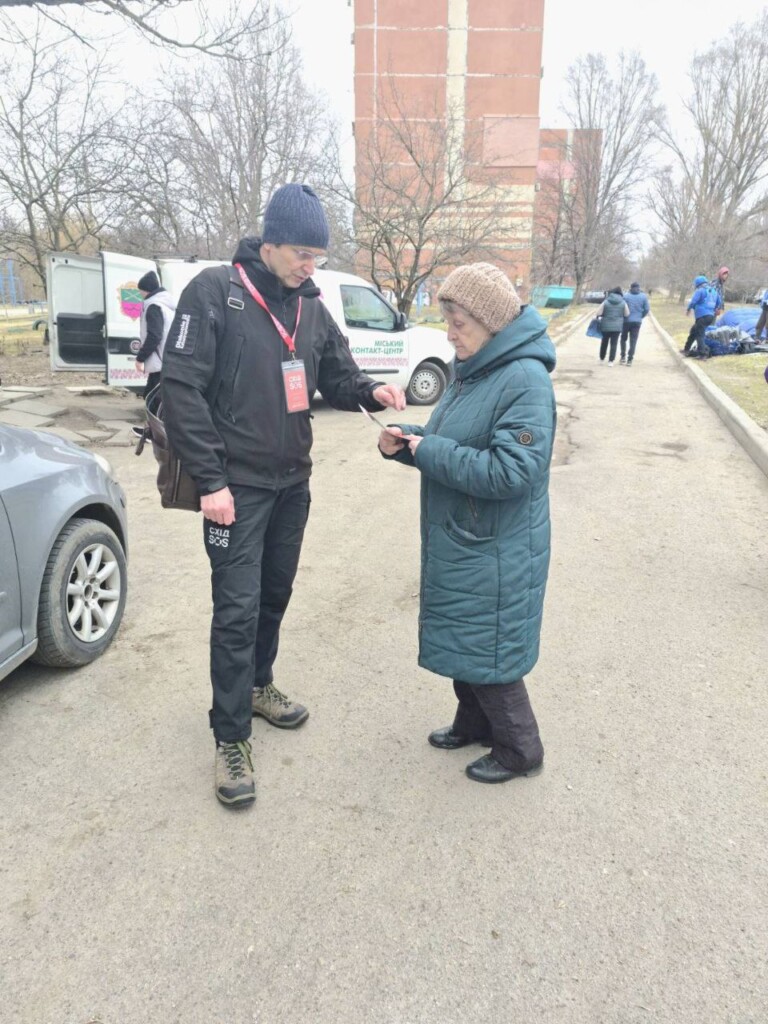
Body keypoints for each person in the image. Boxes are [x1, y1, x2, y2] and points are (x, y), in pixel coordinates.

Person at [161, 183, 406, 808]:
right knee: (236, 610)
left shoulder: (313, 307)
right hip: (235, 490)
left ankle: (258, 685)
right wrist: (211, 481)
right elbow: (180, 390)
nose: (309, 265)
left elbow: (335, 373)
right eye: (301, 253)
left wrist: (370, 392)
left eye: (318, 256)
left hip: (292, 482)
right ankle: (231, 737)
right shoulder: (216, 293)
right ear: (268, 244)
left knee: (274, 595)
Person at [378, 263, 556, 784]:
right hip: (467, 539)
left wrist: (428, 450)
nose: (449, 332)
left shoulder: (524, 379)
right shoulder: (474, 367)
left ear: (491, 322)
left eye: (458, 322)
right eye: (447, 319)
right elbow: (452, 438)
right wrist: (409, 441)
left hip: (496, 547)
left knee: (492, 652)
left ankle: (521, 749)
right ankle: (474, 724)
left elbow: (511, 471)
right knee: (467, 641)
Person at [135, 270, 176, 397]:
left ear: (146, 290)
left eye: (140, 290)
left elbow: (154, 336)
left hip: (160, 362)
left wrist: (140, 358)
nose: (140, 293)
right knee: (151, 396)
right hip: (167, 360)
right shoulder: (166, 304)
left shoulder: (153, 306)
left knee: (153, 398)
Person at [683, 274, 719, 358]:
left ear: (697, 284)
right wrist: (715, 309)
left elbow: (693, 301)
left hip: (702, 316)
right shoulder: (714, 291)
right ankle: (686, 349)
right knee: (694, 331)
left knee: (700, 334)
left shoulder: (700, 290)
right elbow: (718, 303)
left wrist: (688, 309)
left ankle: (703, 354)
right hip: (710, 316)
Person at [595, 286, 630, 365]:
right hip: (617, 327)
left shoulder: (606, 302)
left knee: (604, 342)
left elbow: (598, 313)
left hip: (605, 325)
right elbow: (627, 314)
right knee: (614, 343)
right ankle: (611, 361)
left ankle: (602, 359)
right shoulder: (623, 302)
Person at [619, 281, 650, 366]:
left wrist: (623, 316)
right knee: (633, 340)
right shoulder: (643, 297)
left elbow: (621, 308)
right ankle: (630, 360)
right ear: (638, 287)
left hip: (626, 321)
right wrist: (640, 316)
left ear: (631, 288)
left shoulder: (626, 296)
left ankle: (622, 357)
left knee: (623, 339)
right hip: (637, 322)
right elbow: (647, 309)